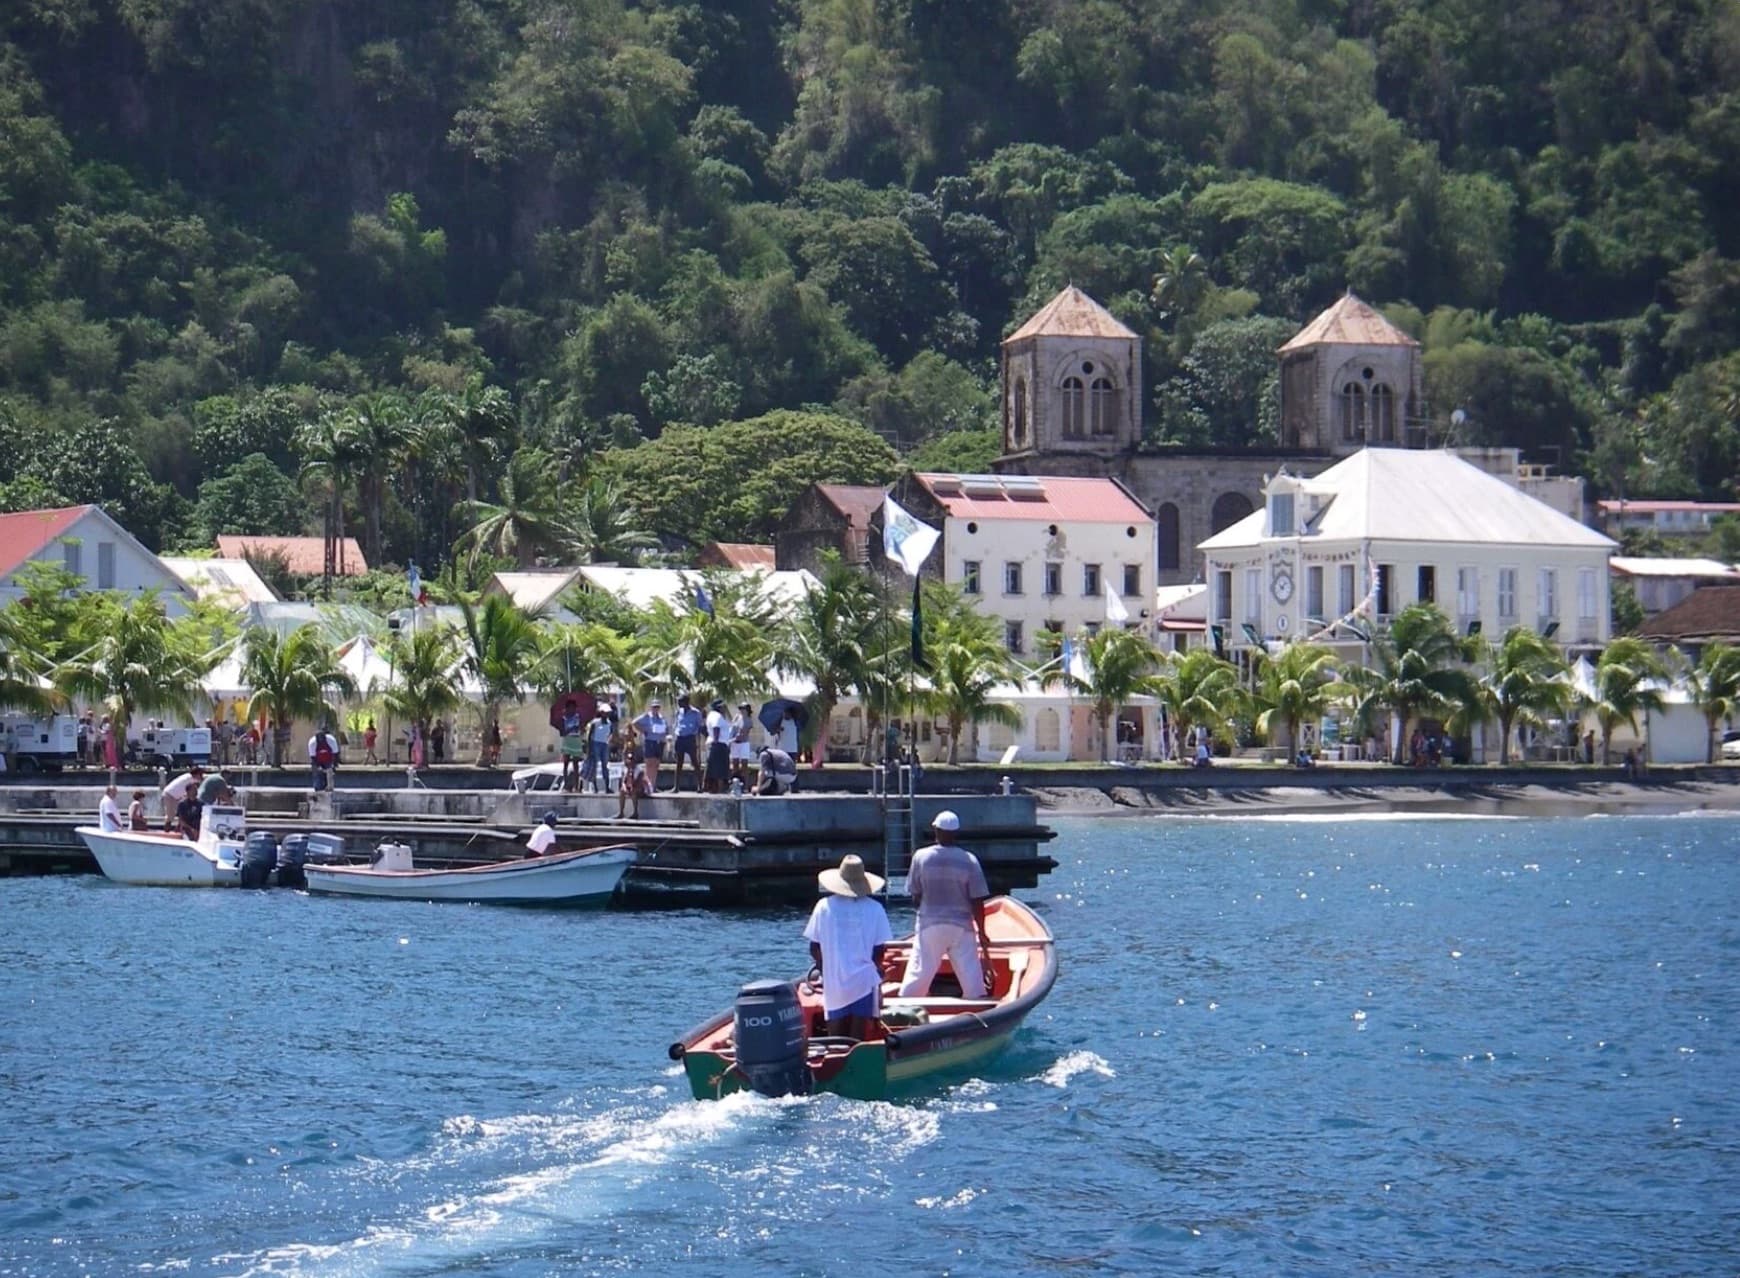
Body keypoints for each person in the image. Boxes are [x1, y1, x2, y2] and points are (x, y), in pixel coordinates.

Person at [899, 811, 992, 1000]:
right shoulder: (969, 860)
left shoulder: (920, 857)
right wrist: (982, 932)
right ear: (956, 833)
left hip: (929, 924)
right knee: (971, 976)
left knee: (919, 971)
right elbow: (977, 901)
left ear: (936, 830)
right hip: (961, 926)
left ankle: (905, 1004)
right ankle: (977, 1002)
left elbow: (915, 895)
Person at [803, 854, 893, 1041]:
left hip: (835, 982)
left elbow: (814, 947)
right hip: (864, 982)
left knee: (835, 1037)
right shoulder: (875, 909)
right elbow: (879, 952)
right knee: (858, 1037)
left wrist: (825, 970)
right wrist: (877, 973)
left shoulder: (823, 907)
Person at [633, 700, 667, 793]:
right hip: (650, 742)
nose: (656, 709)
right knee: (649, 764)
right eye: (654, 707)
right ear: (651, 708)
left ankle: (653, 785)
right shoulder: (647, 716)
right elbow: (635, 722)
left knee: (656, 764)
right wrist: (643, 730)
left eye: (657, 707)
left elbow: (665, 729)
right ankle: (648, 786)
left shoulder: (661, 718)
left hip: (659, 742)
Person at [671, 694, 702, 791]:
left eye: (680, 702)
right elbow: (676, 723)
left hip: (690, 738)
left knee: (694, 762)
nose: (679, 704)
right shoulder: (678, 712)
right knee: (679, 762)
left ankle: (700, 786)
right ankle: (676, 787)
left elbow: (699, 726)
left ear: (686, 702)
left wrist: (697, 738)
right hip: (680, 738)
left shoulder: (695, 713)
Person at [617, 727, 649, 819]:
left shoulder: (638, 749)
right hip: (629, 778)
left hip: (639, 785)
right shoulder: (625, 750)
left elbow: (640, 780)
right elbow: (624, 778)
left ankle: (635, 812)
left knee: (634, 791)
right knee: (622, 791)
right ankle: (621, 812)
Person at [583, 705, 616, 794]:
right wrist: (589, 748)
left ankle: (607, 787)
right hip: (595, 744)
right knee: (594, 766)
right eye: (604, 713)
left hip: (604, 744)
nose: (606, 714)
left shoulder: (609, 723)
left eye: (607, 713)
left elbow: (611, 733)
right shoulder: (595, 722)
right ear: (601, 713)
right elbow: (590, 735)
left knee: (605, 765)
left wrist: (609, 740)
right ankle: (595, 787)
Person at [703, 698, 731, 794]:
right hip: (719, 744)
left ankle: (713, 788)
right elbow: (716, 728)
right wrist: (716, 742)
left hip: (717, 744)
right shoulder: (717, 716)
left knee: (713, 767)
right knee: (720, 769)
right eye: (722, 706)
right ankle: (719, 789)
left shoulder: (712, 715)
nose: (724, 708)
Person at [729, 701, 756, 786]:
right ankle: (734, 783)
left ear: (747, 710)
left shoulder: (749, 720)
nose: (741, 710)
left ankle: (745, 785)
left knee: (744, 765)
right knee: (735, 763)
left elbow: (744, 733)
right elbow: (732, 728)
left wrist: (735, 738)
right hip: (734, 743)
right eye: (740, 708)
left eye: (743, 708)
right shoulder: (737, 717)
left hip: (743, 743)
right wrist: (732, 739)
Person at [559, 702, 584, 791]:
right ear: (567, 708)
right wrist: (570, 729)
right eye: (570, 708)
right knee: (566, 763)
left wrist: (580, 728)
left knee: (576, 764)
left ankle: (576, 786)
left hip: (576, 740)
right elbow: (562, 732)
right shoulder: (564, 718)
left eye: (574, 708)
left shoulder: (578, 717)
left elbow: (581, 728)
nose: (572, 709)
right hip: (567, 740)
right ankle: (566, 785)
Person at [308, 725, 339, 792]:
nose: (321, 741)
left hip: (329, 759)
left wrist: (334, 765)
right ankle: (318, 789)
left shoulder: (331, 740)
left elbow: (335, 754)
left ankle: (329, 788)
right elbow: (313, 758)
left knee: (329, 772)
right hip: (317, 760)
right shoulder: (312, 743)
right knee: (317, 776)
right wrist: (318, 767)